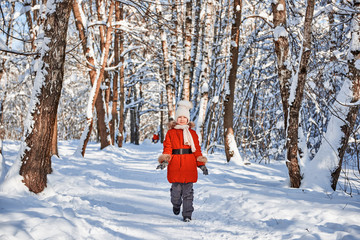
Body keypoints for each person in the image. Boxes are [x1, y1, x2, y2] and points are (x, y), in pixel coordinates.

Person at [157, 100, 208, 222]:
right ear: (176, 118)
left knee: (188, 193)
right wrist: (164, 161)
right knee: (176, 192)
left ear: (188, 119)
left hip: (189, 165)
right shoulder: (170, 133)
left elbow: (197, 151)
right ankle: (176, 204)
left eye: (184, 117)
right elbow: (167, 148)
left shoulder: (192, 134)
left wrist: (201, 164)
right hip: (175, 165)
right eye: (179, 117)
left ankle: (187, 215)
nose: (181, 119)